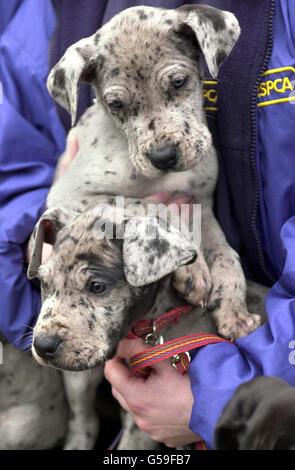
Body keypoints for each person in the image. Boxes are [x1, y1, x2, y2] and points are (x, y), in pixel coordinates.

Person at [1, 0, 295, 450]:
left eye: (177, 84)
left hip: (267, 375)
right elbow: (11, 162)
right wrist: (37, 241)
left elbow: (197, 212)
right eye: (121, 106)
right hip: (104, 337)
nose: (158, 145)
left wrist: (221, 397)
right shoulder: (55, 12)